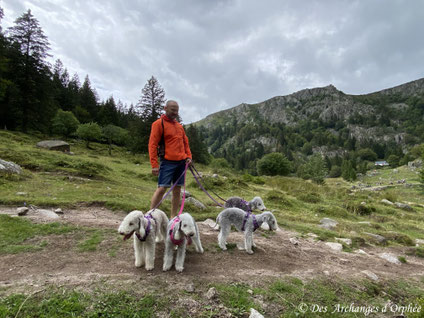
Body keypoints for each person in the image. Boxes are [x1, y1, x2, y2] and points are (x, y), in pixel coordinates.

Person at [148, 100, 192, 219]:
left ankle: (173, 217)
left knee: (177, 190)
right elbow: (152, 145)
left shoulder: (179, 126)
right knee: (162, 188)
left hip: (181, 162)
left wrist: (188, 156)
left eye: (177, 110)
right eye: (173, 110)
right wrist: (154, 165)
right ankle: (150, 216)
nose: (175, 112)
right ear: (165, 108)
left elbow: (185, 143)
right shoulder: (158, 124)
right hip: (167, 162)